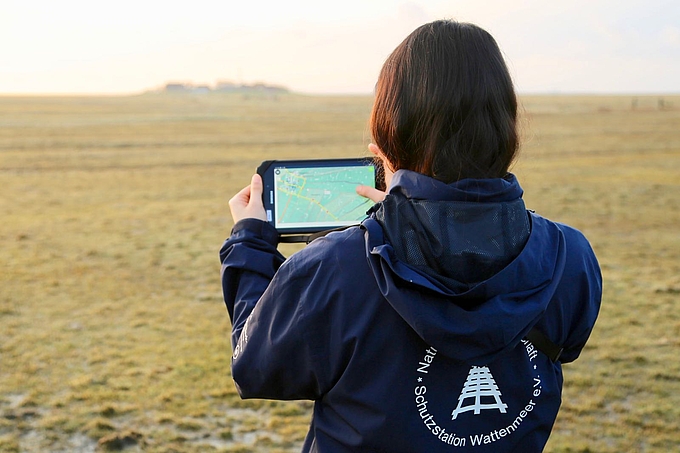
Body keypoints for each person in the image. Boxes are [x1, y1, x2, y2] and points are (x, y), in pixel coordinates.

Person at [220, 20, 602, 452]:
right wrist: (423, 224)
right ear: (505, 126)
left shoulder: (334, 268)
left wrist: (249, 242)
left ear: (386, 135)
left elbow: (254, 366)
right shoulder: (570, 257)